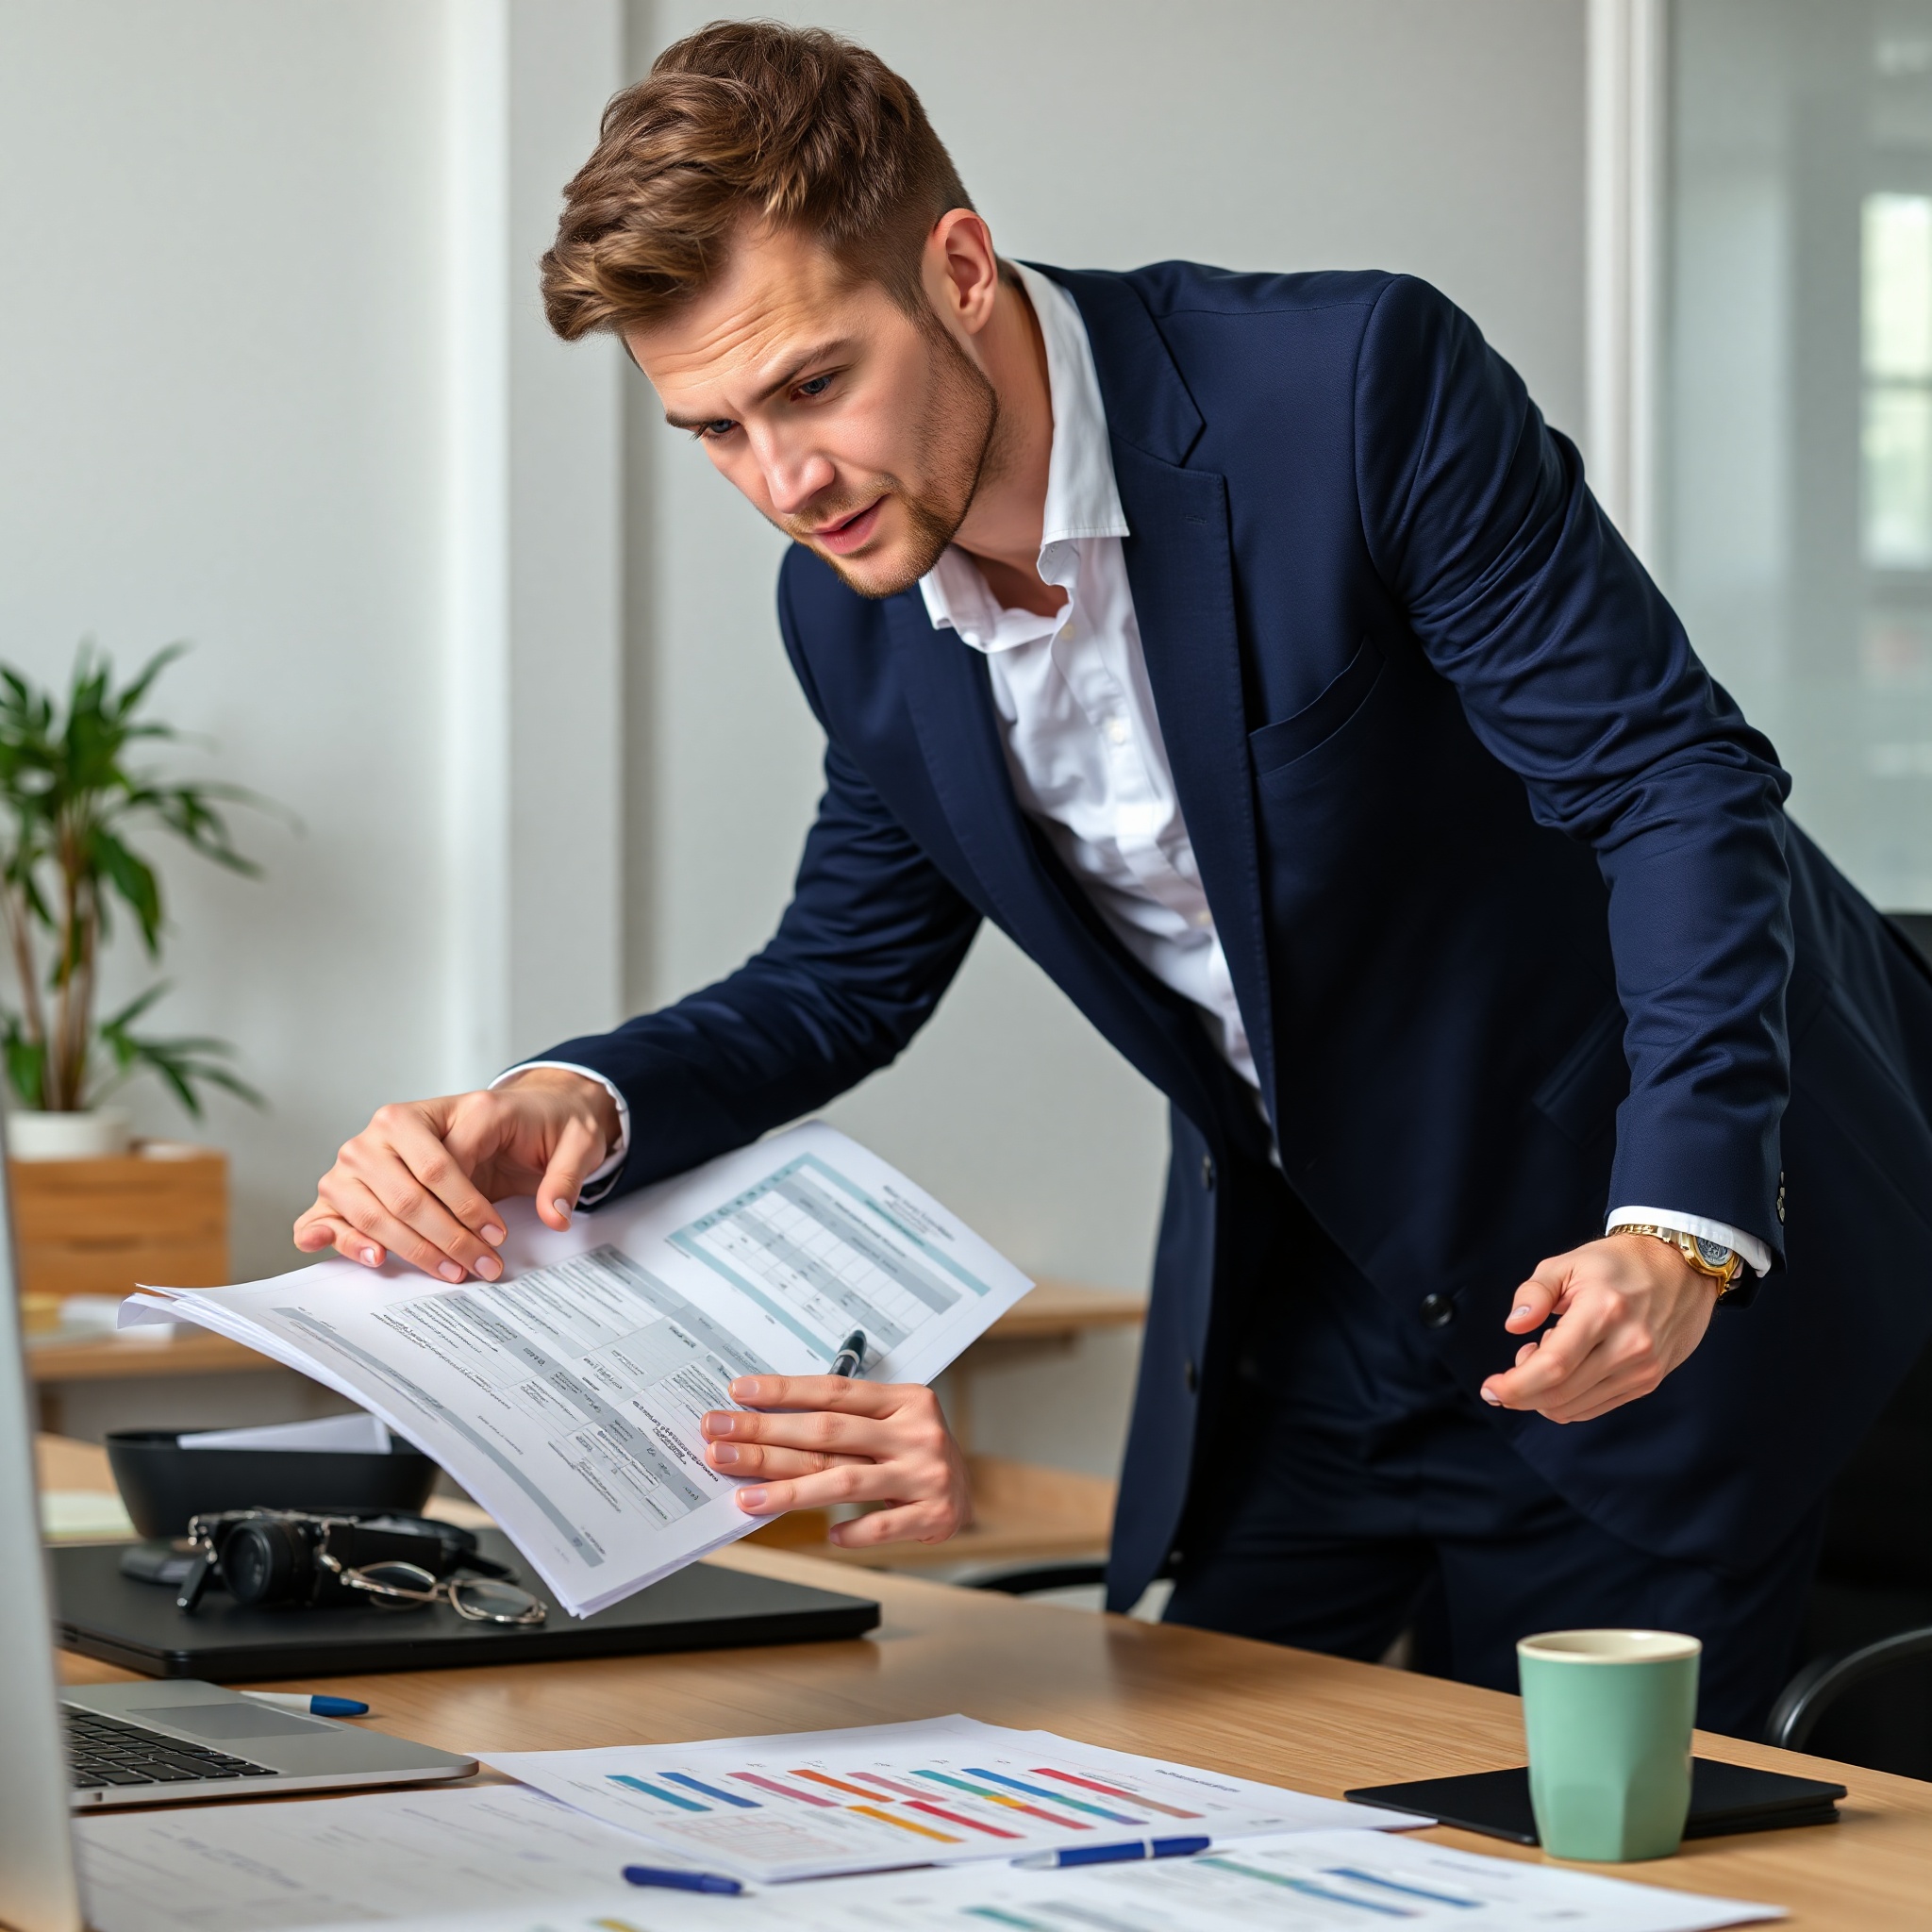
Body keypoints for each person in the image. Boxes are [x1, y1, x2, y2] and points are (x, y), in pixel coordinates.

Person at [297, 21, 1932, 1734]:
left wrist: (1675, 1224)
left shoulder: (1350, 390)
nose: (786, 486)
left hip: (1619, 1251)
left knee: (1568, 1858)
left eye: (810, 386)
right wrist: (566, 1098)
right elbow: (840, 978)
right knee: (1202, 1792)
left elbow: (1668, 785)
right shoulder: (852, 608)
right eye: (711, 430)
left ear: (957, 265)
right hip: (1313, 1305)